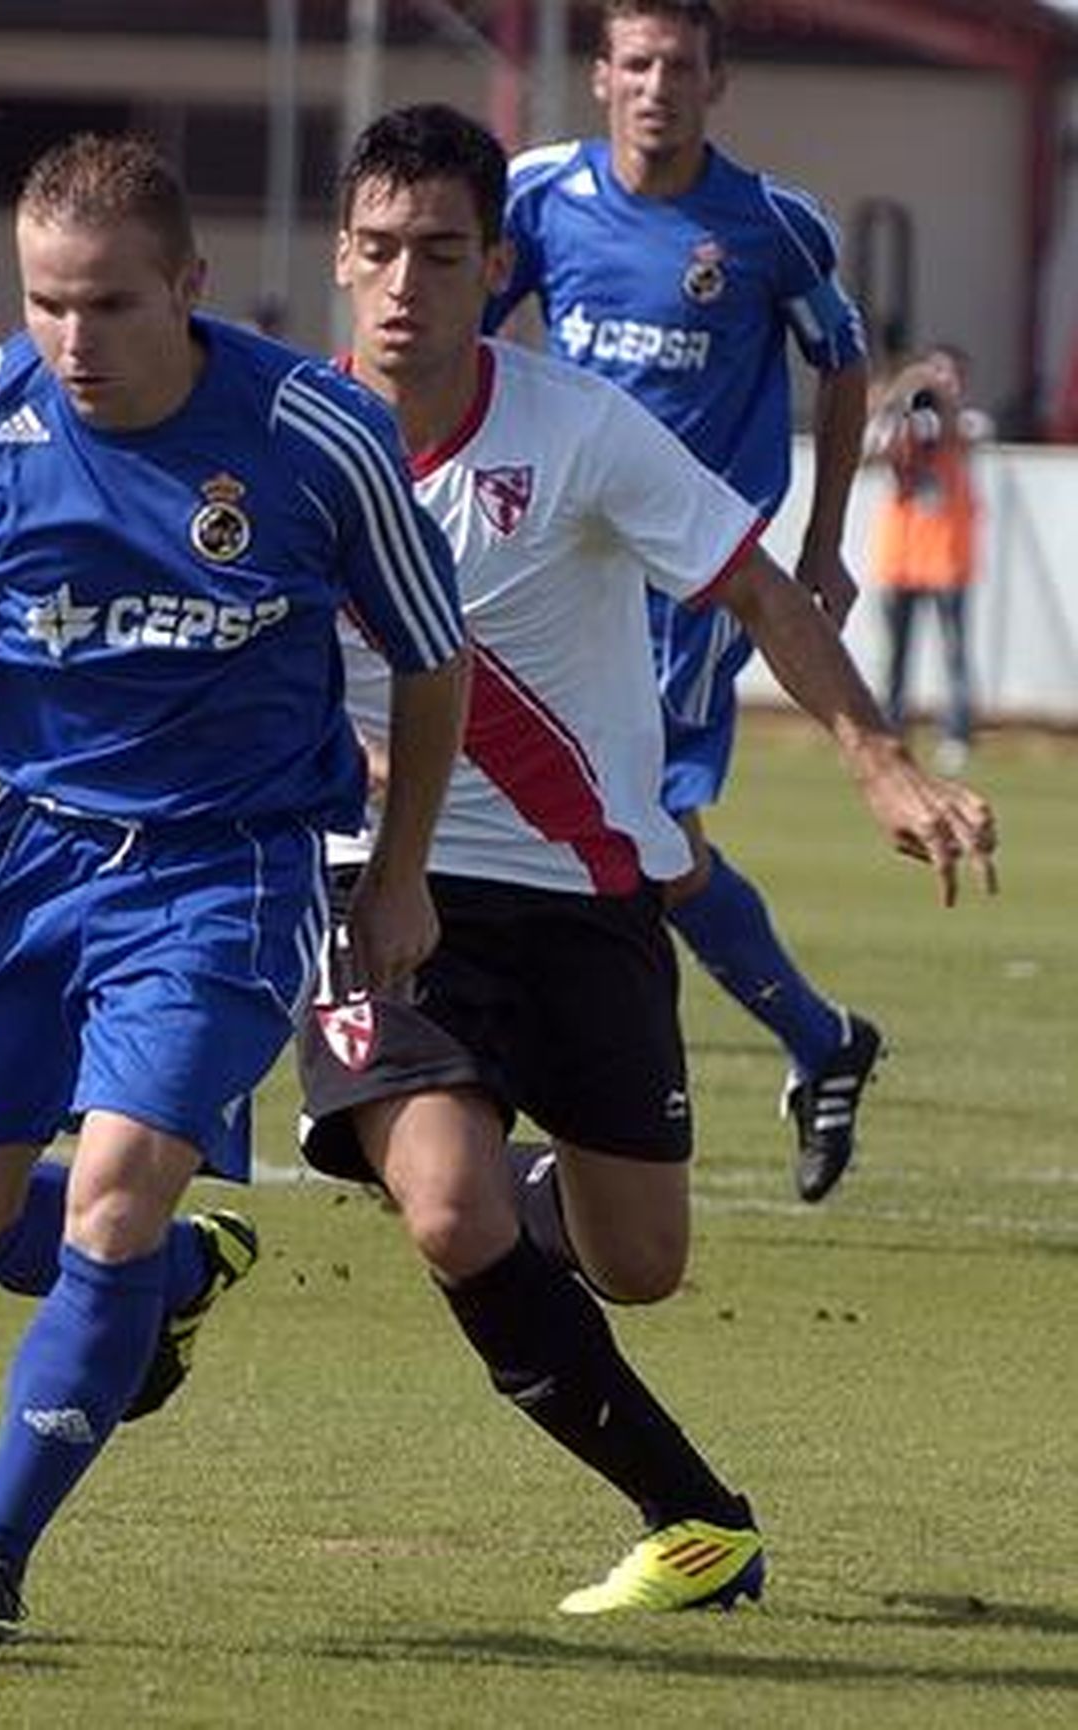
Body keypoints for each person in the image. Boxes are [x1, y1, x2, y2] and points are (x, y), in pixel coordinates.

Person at [0, 132, 470, 1645]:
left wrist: (398, 872)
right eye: (45, 304)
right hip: (30, 857)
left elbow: (431, 654)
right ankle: (170, 1280)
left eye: (107, 305)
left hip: (230, 867)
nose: (72, 340)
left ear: (189, 288)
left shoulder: (312, 433)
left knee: (113, 1189)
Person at [304, 103, 996, 1615]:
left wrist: (881, 759)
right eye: (376, 250)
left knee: (642, 1261)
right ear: (338, 260)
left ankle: (514, 1177)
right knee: (445, 1208)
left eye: (439, 252)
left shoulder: (580, 430)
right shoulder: (287, 441)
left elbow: (753, 589)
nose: (404, 282)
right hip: (388, 887)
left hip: (589, 896)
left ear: (497, 267)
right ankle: (697, 1515)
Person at [487, 0, 881, 1202]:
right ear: (601, 75)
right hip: (556, 570)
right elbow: (472, 338)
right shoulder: (536, 198)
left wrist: (820, 542)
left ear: (717, 85)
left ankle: (580, 1086)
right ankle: (819, 1042)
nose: (655, 85)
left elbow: (846, 365)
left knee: (639, 839)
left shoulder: (769, 227)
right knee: (619, 839)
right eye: (636, 63)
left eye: (679, 67)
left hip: (689, 590)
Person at [865, 344, 990, 774]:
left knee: (955, 654)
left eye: (949, 374)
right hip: (900, 559)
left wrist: (943, 400)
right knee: (896, 656)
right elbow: (869, 450)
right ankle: (891, 732)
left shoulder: (967, 421)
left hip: (948, 560)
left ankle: (956, 733)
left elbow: (961, 434)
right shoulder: (902, 425)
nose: (939, 382)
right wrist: (904, 388)